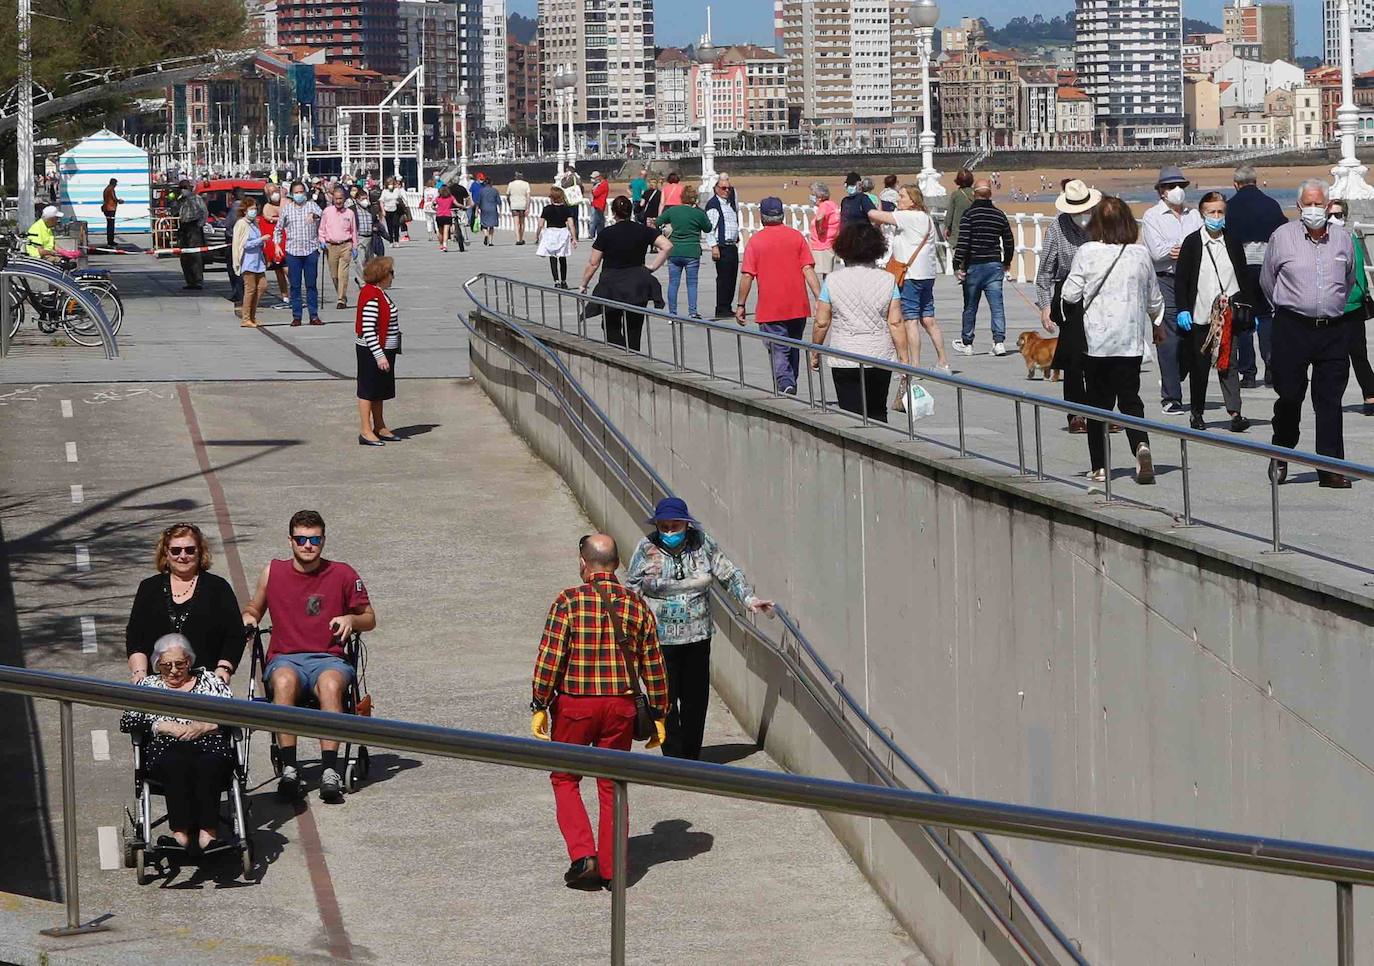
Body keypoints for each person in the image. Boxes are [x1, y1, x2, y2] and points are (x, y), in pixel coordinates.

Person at [530, 533, 668, 889]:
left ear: (583, 563)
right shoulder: (636, 604)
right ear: (617, 564)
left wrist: (540, 702)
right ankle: (613, 868)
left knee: (564, 777)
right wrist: (659, 712)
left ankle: (584, 855)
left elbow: (551, 658)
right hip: (621, 706)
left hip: (576, 704)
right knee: (612, 784)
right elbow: (653, 663)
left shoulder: (569, 602)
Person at [241, 510, 377, 802]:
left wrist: (351, 621)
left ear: (323, 540)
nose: (308, 545)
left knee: (330, 685)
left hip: (329, 659)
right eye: (301, 539)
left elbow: (369, 617)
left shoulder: (343, 573)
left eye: (314, 539)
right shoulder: (273, 571)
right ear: (290, 540)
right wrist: (249, 619)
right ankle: (289, 768)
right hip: (286, 658)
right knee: (284, 681)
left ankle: (330, 771)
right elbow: (254, 608)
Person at [626, 499, 772, 760]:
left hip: (697, 637)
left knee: (695, 700)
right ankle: (673, 756)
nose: (669, 532)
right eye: (664, 527)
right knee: (664, 699)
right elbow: (632, 589)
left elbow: (728, 574)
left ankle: (691, 756)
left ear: (686, 524)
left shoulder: (702, 543)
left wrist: (749, 600)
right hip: (661, 639)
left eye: (675, 526)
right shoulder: (646, 548)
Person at [1261, 179, 1357, 488]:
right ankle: (1282, 449)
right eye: (1308, 204)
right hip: (1292, 327)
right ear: (1299, 206)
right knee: (1290, 396)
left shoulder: (1343, 239)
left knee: (1329, 400)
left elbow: (1350, 278)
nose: (1314, 209)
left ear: (1329, 207)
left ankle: (1329, 467)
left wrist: (1331, 306)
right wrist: (1287, 308)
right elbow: (1268, 280)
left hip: (1332, 330)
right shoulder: (1282, 237)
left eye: (1320, 204)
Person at [1062, 196, 1164, 485]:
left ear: (1097, 224)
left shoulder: (1087, 251)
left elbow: (1070, 294)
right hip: (1130, 341)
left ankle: (1100, 467)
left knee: (1098, 405)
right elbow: (1154, 298)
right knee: (1131, 400)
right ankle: (1141, 446)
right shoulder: (1140, 254)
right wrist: (1157, 324)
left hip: (1097, 341)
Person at [119, 634, 236, 852]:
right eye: (166, 665)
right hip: (167, 745)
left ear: (189, 661)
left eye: (180, 664)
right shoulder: (148, 685)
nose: (173, 670)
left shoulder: (210, 680)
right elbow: (128, 719)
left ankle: (208, 834)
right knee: (175, 763)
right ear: (157, 664)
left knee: (209, 764)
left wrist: (205, 726)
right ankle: (180, 834)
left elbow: (236, 713)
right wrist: (162, 725)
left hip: (208, 742)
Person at [1174, 192, 1261, 433]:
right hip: (1200, 314)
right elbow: (1181, 281)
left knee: (1228, 362)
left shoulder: (1232, 241)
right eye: (1211, 212)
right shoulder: (1192, 243)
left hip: (1228, 313)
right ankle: (1197, 412)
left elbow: (1242, 276)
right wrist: (1183, 310)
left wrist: (1250, 309)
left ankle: (1235, 412)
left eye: (1220, 212)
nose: (1216, 216)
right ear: (1202, 214)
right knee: (1199, 365)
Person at [808, 224, 910, 421]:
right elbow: (896, 322)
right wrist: (904, 358)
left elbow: (821, 322)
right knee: (877, 411)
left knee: (850, 415)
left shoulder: (832, 281)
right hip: (879, 355)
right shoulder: (888, 280)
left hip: (844, 354)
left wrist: (815, 351)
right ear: (877, 248)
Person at [125, 523, 244, 685]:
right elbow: (135, 636)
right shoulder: (149, 588)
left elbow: (235, 635)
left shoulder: (218, 588)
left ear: (200, 551)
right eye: (175, 550)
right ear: (166, 553)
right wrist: (140, 673)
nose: (183, 556)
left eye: (190, 550)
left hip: (204, 680)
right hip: (157, 680)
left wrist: (224, 668)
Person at [1035, 179, 1102, 431]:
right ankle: (1076, 415)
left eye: (1085, 209)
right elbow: (1044, 273)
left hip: (1100, 293)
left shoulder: (1101, 223)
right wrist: (1045, 306)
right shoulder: (1057, 228)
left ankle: (1103, 412)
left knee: (1101, 356)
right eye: (1076, 210)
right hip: (1069, 296)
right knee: (1074, 359)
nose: (1082, 215)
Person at [736, 196, 821, 395]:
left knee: (779, 347)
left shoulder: (756, 241)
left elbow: (748, 275)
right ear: (782, 215)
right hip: (797, 305)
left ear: (762, 216)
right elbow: (807, 268)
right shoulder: (796, 237)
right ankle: (790, 383)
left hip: (770, 306)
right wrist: (819, 297)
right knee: (794, 346)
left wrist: (741, 304)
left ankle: (785, 382)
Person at [1141, 167, 1204, 415]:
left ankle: (1175, 376)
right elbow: (1157, 252)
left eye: (1180, 185)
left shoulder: (1194, 215)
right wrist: (1180, 250)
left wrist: (1182, 250)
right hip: (1165, 280)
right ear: (1160, 191)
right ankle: (1171, 396)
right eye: (1170, 186)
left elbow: (1202, 242)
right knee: (1168, 339)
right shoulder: (1152, 216)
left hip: (1193, 281)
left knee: (1193, 338)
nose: (1177, 190)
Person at [868, 183, 950, 372]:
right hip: (927, 274)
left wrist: (872, 206)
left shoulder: (907, 216)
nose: (899, 200)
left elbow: (874, 215)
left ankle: (914, 366)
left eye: (902, 196)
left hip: (910, 275)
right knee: (928, 318)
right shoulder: (927, 218)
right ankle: (943, 361)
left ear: (913, 201)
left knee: (910, 320)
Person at [578, 195, 671, 350]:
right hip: (637, 283)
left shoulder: (606, 234)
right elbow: (667, 246)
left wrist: (583, 284)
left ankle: (622, 352)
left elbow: (593, 263)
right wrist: (652, 267)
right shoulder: (643, 230)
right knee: (634, 328)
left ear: (613, 212)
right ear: (631, 212)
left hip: (612, 285)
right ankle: (633, 355)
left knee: (611, 327)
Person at [1228, 165, 1288, 387]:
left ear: (1236, 184)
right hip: (1266, 266)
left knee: (1243, 320)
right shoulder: (1271, 204)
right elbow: (1282, 231)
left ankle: (1248, 373)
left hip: (1241, 268)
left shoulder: (1231, 206)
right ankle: (1271, 364)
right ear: (1256, 181)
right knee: (1266, 316)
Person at [952, 178, 1014, 357]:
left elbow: (963, 243)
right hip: (994, 264)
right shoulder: (999, 215)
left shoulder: (968, 215)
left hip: (974, 266)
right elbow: (1009, 241)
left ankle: (968, 343)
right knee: (997, 305)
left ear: (974, 194)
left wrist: (957, 264)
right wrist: (1007, 261)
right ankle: (999, 342)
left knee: (970, 306)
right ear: (990, 194)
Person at [1327, 198, 1374, 414]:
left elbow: (1359, 277)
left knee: (1358, 353)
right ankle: (1331, 397)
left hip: (1350, 306)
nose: (1334, 219)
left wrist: (1351, 298)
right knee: (1333, 357)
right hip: (1329, 307)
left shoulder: (1350, 238)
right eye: (1330, 215)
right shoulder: (1321, 241)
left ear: (1345, 217)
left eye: (1338, 215)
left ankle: (1370, 394)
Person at [354, 256, 403, 446]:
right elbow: (368, 329)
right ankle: (365, 430)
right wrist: (380, 355)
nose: (393, 277)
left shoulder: (379, 292)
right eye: (391, 273)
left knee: (379, 391)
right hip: (372, 351)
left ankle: (379, 425)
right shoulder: (372, 295)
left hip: (384, 350)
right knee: (368, 390)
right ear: (382, 275)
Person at [658, 183, 713, 319]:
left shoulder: (673, 211)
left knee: (673, 283)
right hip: (692, 251)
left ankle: (672, 313)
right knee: (692, 283)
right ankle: (692, 312)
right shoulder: (698, 213)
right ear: (695, 198)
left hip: (675, 251)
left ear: (681, 197)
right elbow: (708, 228)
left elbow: (658, 221)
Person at [273, 181, 324, 326]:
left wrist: (315, 217)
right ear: (292, 194)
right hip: (293, 251)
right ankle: (297, 316)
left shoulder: (311, 206)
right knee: (295, 285)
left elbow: (322, 217)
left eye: (301, 192)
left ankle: (313, 315)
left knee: (311, 284)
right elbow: (278, 229)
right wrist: (277, 245)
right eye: (296, 192)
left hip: (310, 250)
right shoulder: (287, 209)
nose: (299, 195)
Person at [704, 173, 741, 319]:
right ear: (716, 189)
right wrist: (714, 246)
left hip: (732, 246)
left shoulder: (729, 203)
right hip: (722, 247)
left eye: (729, 188)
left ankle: (727, 306)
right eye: (724, 188)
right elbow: (709, 228)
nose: (727, 191)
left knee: (732, 278)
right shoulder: (714, 204)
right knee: (724, 278)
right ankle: (721, 308)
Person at [319, 187, 359, 311]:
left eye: (340, 198)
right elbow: (321, 229)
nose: (338, 201)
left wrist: (354, 246)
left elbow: (353, 231)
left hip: (345, 245)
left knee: (343, 274)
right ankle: (342, 295)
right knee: (334, 275)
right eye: (336, 199)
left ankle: (341, 299)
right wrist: (322, 241)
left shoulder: (349, 213)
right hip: (331, 246)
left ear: (344, 199)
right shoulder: (327, 211)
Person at [231, 198, 268, 328]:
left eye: (255, 209)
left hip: (258, 261)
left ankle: (252, 315)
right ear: (245, 210)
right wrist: (260, 240)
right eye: (251, 209)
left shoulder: (254, 224)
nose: (254, 211)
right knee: (250, 289)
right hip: (248, 261)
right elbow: (243, 244)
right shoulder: (241, 224)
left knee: (262, 286)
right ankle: (246, 317)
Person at [537, 186, 579, 288]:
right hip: (563, 233)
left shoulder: (547, 209)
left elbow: (540, 224)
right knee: (562, 257)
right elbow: (571, 224)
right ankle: (564, 281)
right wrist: (574, 238)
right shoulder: (566, 209)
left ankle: (556, 281)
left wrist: (537, 235)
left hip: (550, 233)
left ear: (551, 197)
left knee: (553, 257)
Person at [176, 181, 209, 290]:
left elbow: (204, 213)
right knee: (184, 256)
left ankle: (198, 280)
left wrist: (198, 226)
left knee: (195, 255)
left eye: (184, 187)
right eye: (181, 188)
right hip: (184, 227)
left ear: (189, 188)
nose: (182, 190)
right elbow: (176, 212)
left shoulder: (197, 198)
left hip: (193, 227)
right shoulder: (181, 200)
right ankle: (190, 281)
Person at [261, 187, 291, 303]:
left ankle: (295, 292)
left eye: (276, 192)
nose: (275, 195)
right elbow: (267, 217)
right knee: (279, 270)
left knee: (288, 270)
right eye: (272, 192)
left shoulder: (286, 202)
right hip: (275, 242)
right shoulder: (267, 207)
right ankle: (285, 295)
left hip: (287, 240)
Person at [807, 182, 840, 281]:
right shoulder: (832, 204)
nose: (811, 197)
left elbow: (819, 218)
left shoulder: (824, 206)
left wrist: (820, 229)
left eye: (813, 194)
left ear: (820, 196)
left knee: (819, 272)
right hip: (829, 243)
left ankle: (823, 293)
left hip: (822, 245)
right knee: (827, 272)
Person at [350, 185, 379, 284]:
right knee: (360, 260)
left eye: (366, 198)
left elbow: (376, 221)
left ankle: (369, 279)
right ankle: (362, 282)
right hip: (359, 237)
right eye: (363, 199)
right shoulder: (352, 210)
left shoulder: (370, 209)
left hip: (370, 238)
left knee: (370, 261)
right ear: (357, 199)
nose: (365, 201)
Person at [943, 168, 976, 253]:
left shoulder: (956, 195)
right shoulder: (975, 193)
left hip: (958, 236)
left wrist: (947, 228)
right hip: (974, 235)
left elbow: (950, 214)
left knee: (959, 262)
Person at [507, 171, 532, 245]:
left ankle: (518, 239)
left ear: (515, 176)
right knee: (522, 222)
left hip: (514, 205)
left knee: (516, 223)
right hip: (523, 205)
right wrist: (528, 207)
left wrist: (510, 203)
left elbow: (507, 195)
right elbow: (528, 197)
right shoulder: (526, 184)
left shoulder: (511, 184)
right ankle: (521, 237)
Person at [380, 178, 405, 244]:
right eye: (389, 184)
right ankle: (391, 241)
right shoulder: (384, 191)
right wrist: (383, 211)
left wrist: (398, 201)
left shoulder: (396, 190)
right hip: (387, 209)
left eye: (392, 184)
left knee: (396, 225)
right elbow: (381, 201)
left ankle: (396, 241)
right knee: (389, 226)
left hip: (395, 209)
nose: (390, 185)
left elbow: (401, 197)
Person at [101, 177, 122, 248]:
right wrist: (119, 201)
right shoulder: (111, 189)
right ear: (113, 183)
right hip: (110, 209)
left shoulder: (106, 189)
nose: (116, 185)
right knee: (111, 225)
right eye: (115, 183)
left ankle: (110, 240)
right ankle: (110, 241)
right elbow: (114, 198)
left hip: (107, 208)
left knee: (109, 225)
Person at [588, 171, 609, 240]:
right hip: (599, 204)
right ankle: (599, 233)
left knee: (597, 220)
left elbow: (596, 194)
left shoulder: (603, 184)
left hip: (598, 204)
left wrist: (593, 190)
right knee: (599, 220)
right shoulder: (603, 184)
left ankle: (593, 234)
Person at [434, 185, 456, 252]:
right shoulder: (451, 197)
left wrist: (435, 208)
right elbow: (456, 204)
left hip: (439, 216)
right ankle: (445, 245)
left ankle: (441, 245)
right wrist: (463, 206)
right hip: (447, 216)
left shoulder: (438, 198)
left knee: (440, 231)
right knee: (446, 231)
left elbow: (433, 204)